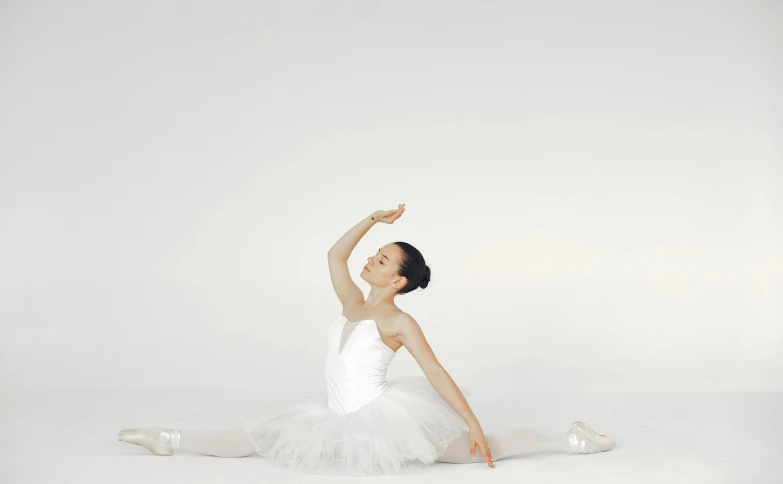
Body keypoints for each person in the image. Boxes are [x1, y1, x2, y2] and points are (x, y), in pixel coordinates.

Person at [118, 204, 616, 476]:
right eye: (375, 255)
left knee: (472, 452)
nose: (370, 261)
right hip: (332, 413)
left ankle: (575, 441)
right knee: (256, 438)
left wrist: (473, 422)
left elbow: (436, 374)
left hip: (380, 417)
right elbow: (335, 254)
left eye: (381, 260)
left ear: (397, 281)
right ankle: (168, 439)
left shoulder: (399, 323)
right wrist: (373, 221)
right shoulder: (351, 303)